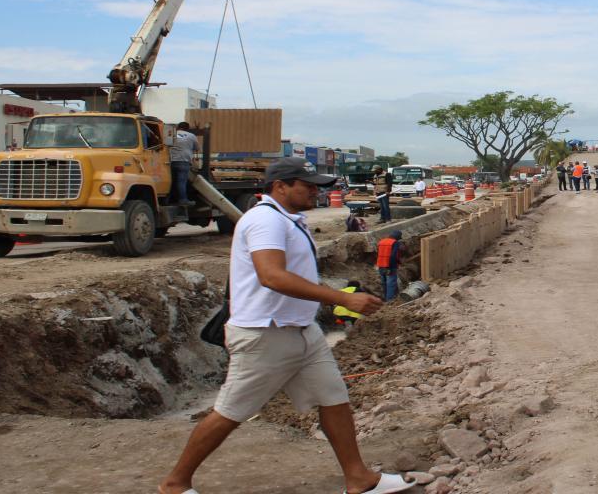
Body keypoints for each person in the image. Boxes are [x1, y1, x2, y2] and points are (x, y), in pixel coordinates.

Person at [158, 157, 414, 494]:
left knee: (334, 397)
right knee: (231, 411)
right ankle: (175, 484)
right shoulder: (266, 221)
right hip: (266, 334)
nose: (315, 192)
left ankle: (358, 478)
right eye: (306, 185)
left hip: (301, 330)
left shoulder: (288, 219)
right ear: (280, 186)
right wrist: (341, 298)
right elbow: (272, 276)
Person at [170, 122, 198, 205]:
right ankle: (183, 200)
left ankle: (168, 200)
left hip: (170, 161)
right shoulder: (191, 136)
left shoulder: (172, 134)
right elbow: (197, 148)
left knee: (171, 181)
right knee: (181, 181)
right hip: (184, 161)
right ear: (187, 128)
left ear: (178, 127)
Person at [375, 230, 403, 302]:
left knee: (384, 282)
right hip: (390, 266)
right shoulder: (395, 243)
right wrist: (392, 265)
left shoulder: (381, 241)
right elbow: (393, 256)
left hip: (381, 265)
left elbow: (380, 253)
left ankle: (386, 298)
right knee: (391, 283)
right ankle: (390, 300)